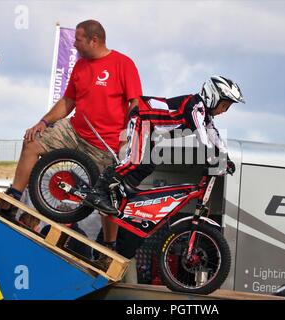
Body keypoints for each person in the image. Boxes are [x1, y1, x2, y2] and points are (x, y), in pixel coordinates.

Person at [0, 19, 143, 251]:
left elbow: (135, 103)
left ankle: (109, 245)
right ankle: (14, 196)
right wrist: (43, 122)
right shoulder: (81, 65)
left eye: (78, 39)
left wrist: (129, 134)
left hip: (105, 142)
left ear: (94, 40)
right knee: (32, 143)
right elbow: (68, 101)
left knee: (108, 195)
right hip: (75, 130)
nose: (74, 44)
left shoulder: (123, 64)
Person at [89, 76, 245, 259]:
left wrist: (226, 158)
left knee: (147, 166)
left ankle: (118, 192)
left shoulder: (205, 115)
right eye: (224, 105)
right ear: (213, 96)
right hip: (142, 117)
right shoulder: (195, 107)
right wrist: (212, 157)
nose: (224, 111)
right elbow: (202, 137)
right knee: (135, 161)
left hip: (153, 130)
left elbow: (214, 136)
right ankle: (99, 191)